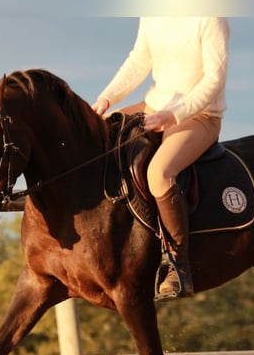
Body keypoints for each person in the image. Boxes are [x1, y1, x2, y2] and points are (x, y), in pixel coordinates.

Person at [92, 17, 230, 300]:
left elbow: (214, 80)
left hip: (198, 115)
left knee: (160, 173)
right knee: (94, 136)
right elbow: (138, 62)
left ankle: (178, 266)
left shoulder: (211, 17)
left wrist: (173, 115)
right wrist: (106, 100)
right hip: (153, 106)